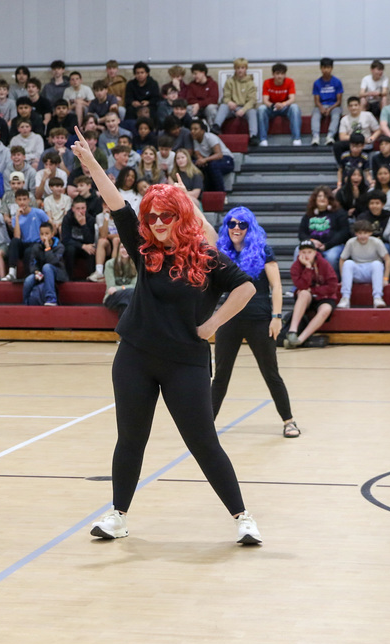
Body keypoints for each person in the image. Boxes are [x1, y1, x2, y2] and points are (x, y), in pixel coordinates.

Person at [71, 127, 262, 545]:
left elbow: (247, 287)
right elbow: (117, 204)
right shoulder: (144, 248)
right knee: (130, 440)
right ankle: (117, 515)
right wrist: (91, 164)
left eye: (165, 216)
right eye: (152, 216)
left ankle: (243, 517)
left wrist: (212, 326)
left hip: (186, 363)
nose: (156, 224)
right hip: (136, 357)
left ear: (181, 216)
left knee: (203, 444)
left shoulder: (207, 256)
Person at [212, 207, 297, 437]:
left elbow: (277, 286)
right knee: (220, 374)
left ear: (250, 228)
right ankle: (205, 426)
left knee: (270, 372)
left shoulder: (263, 250)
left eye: (242, 224)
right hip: (229, 319)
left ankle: (288, 420)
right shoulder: (222, 251)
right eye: (232, 224)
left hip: (260, 319)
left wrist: (277, 317)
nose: (236, 228)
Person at [286, 240, 337, 348]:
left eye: (309, 252)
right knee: (304, 293)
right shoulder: (296, 267)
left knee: (326, 309)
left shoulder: (324, 264)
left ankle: (300, 340)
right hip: (306, 298)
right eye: (303, 252)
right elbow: (302, 286)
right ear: (299, 253)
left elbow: (332, 286)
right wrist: (308, 268)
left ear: (315, 252)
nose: (306, 255)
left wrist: (313, 291)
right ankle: (292, 331)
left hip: (324, 297)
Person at [337, 220, 390, 309]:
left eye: (365, 233)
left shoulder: (376, 242)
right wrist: (344, 278)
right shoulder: (351, 242)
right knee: (348, 263)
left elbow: (388, 259)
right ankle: (345, 298)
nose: (362, 236)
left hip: (372, 272)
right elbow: (342, 259)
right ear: (355, 233)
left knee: (377, 264)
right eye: (359, 233)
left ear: (370, 233)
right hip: (357, 271)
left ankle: (377, 297)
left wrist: (385, 278)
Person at [298, 185, 350, 266]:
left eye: (325, 196)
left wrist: (327, 245)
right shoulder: (308, 215)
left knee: (331, 257)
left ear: (329, 199)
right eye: (319, 196)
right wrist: (311, 242)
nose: (322, 198)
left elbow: (344, 232)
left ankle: (333, 278)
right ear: (315, 199)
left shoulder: (339, 213)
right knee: (297, 251)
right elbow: (301, 233)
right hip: (312, 247)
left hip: (333, 246)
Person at [213, 58, 259, 145]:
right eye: (238, 68)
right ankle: (216, 126)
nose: (240, 70)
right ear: (235, 69)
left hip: (245, 108)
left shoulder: (251, 83)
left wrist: (243, 110)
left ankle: (253, 136)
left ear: (246, 69)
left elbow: (252, 100)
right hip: (232, 108)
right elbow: (226, 97)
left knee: (252, 111)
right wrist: (229, 102)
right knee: (223, 106)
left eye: (242, 68)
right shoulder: (229, 82)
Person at [258, 62, 301, 147]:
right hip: (272, 108)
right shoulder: (267, 82)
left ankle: (296, 138)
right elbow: (265, 100)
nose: (279, 76)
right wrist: (273, 105)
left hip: (285, 107)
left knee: (295, 107)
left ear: (285, 74)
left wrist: (283, 104)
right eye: (277, 73)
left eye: (282, 74)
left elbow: (292, 99)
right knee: (261, 109)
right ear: (273, 74)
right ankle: (263, 139)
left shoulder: (290, 82)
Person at [22, 221, 66, 305]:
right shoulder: (36, 246)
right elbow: (32, 262)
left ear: (52, 234)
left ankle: (51, 299)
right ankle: (26, 304)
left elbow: (54, 262)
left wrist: (47, 248)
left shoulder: (60, 247)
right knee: (28, 280)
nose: (44, 236)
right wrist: (35, 271)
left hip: (56, 272)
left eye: (47, 234)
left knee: (47, 267)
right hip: (41, 272)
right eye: (42, 234)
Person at [189, 118, 234, 192]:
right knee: (196, 165)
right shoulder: (195, 139)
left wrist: (204, 160)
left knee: (213, 166)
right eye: (191, 129)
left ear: (203, 131)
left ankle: (221, 193)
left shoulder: (211, 137)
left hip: (226, 160)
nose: (192, 131)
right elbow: (197, 152)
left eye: (195, 129)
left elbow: (219, 155)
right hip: (209, 160)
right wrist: (200, 160)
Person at [311, 58, 343, 146]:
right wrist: (321, 107)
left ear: (331, 68)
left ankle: (330, 136)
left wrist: (330, 108)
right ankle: (315, 137)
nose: (326, 70)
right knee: (315, 114)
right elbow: (316, 101)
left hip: (334, 105)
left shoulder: (337, 82)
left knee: (336, 114)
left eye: (328, 68)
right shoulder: (317, 83)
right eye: (324, 68)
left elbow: (339, 101)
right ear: (321, 68)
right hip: (321, 105)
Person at [102, 242, 136, 316]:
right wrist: (124, 289)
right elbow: (111, 288)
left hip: (129, 296)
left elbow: (135, 286)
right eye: (122, 247)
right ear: (118, 250)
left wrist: (119, 288)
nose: (125, 250)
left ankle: (124, 327)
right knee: (131, 294)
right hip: (112, 298)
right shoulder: (110, 264)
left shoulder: (136, 265)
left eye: (127, 248)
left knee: (125, 303)